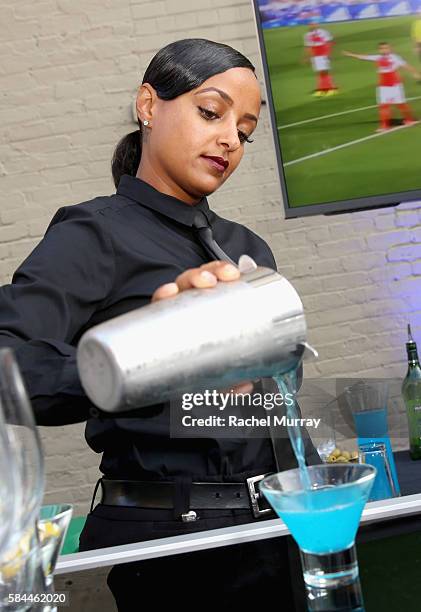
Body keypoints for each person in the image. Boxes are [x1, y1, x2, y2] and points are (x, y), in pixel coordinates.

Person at [0, 38, 319, 610]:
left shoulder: (247, 249)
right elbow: (6, 362)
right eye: (210, 112)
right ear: (149, 105)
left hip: (284, 534)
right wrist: (145, 361)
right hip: (176, 551)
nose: (229, 139)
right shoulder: (93, 233)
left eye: (244, 132)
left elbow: (269, 402)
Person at [343, 43, 420, 132]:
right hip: (383, 86)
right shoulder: (378, 57)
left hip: (395, 85)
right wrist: (350, 54)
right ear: (379, 50)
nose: (384, 50)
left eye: (386, 48)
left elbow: (406, 66)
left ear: (390, 49)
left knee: (400, 104)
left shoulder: (395, 57)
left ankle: (409, 119)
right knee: (383, 105)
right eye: (381, 48)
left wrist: (415, 73)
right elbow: (363, 57)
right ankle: (384, 125)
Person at [303, 22, 338, 97]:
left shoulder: (323, 32)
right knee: (320, 73)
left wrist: (328, 53)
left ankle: (331, 89)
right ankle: (322, 89)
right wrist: (307, 57)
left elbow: (330, 43)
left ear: (317, 25)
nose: (312, 25)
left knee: (325, 72)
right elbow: (308, 47)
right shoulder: (307, 35)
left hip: (323, 54)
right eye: (310, 24)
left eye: (314, 24)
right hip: (315, 56)